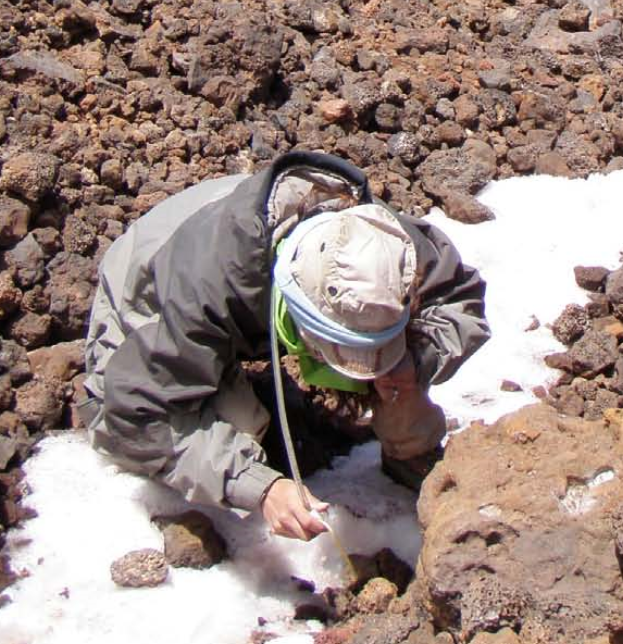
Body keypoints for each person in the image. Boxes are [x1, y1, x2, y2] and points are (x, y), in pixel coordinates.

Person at [81, 150, 490, 540]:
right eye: (336, 344)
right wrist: (259, 486)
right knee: (240, 426)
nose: (363, 367)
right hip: (147, 293)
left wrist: (416, 362)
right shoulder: (204, 291)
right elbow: (132, 417)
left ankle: (409, 455)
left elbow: (458, 298)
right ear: (294, 310)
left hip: (244, 279)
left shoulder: (379, 245)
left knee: (400, 372)